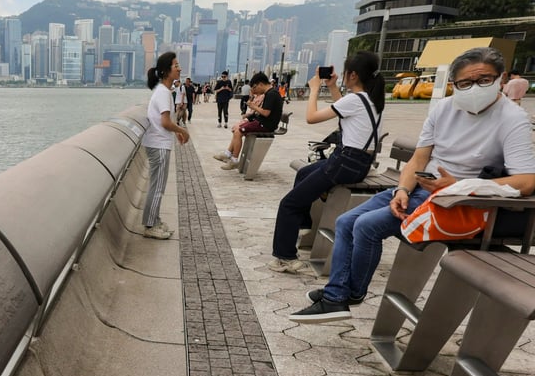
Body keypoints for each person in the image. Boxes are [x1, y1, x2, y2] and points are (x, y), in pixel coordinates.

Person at [290, 46, 535, 322]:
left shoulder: (512, 119)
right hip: (420, 190)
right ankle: (346, 293)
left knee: (367, 226)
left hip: (458, 203)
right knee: (346, 222)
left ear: (501, 79)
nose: (475, 88)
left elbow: (526, 181)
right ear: (455, 83)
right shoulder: (443, 109)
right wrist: (403, 190)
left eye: (484, 80)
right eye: (466, 83)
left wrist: (461, 184)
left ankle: (337, 298)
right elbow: (418, 159)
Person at [267, 52, 385, 274]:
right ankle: (303, 224)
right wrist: (332, 87)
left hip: (345, 162)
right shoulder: (370, 99)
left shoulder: (355, 100)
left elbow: (311, 117)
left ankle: (285, 257)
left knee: (288, 204)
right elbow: (344, 108)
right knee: (304, 173)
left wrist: (314, 89)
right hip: (357, 162)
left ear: (352, 75)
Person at [142, 52, 190, 239]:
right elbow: (165, 122)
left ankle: (154, 219)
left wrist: (177, 131)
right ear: (165, 70)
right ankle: (149, 225)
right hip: (158, 144)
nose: (179, 68)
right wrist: (182, 131)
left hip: (158, 143)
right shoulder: (163, 92)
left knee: (158, 186)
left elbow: (165, 120)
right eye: (175, 65)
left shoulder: (164, 91)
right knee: (158, 187)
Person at [214, 72, 283, 170]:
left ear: (260, 84)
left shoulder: (271, 94)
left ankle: (234, 160)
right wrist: (250, 116)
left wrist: (254, 107)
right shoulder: (270, 93)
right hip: (262, 122)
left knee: (239, 131)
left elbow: (266, 113)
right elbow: (262, 112)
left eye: (254, 87)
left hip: (266, 125)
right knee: (237, 128)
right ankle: (228, 153)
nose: (254, 90)